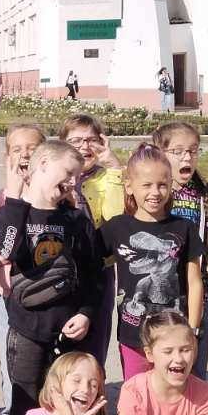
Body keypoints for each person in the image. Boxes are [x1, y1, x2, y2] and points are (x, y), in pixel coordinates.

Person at [0, 139, 104, 415]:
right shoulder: (14, 213)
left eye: (77, 176)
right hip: (27, 331)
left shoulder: (74, 219)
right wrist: (15, 198)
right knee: (26, 410)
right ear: (41, 164)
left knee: (66, 410)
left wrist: (87, 313)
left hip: (67, 337)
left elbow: (93, 274)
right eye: (67, 174)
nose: (73, 183)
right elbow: (7, 250)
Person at [100, 144, 203, 380]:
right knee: (136, 391)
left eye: (162, 185)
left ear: (171, 185)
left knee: (175, 391)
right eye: (146, 185)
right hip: (133, 335)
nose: (155, 192)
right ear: (129, 186)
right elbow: (86, 259)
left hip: (176, 335)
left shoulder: (184, 228)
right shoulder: (117, 227)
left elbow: (194, 282)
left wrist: (193, 329)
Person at [155, 119, 208, 377]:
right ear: (160, 153)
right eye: (178, 151)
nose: (187, 157)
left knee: (194, 370)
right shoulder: (153, 195)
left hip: (198, 295)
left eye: (193, 151)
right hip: (159, 297)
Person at [64, 113, 130, 368]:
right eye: (76, 141)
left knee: (95, 338)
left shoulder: (108, 177)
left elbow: (115, 218)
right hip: (63, 269)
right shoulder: (56, 177)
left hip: (99, 268)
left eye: (92, 140)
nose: (85, 146)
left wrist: (113, 168)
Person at [0, 124, 45, 404]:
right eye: (17, 149)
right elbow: (3, 250)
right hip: (12, 292)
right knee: (11, 358)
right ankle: (13, 413)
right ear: (7, 157)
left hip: (48, 293)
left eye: (32, 149)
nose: (24, 154)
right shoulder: (1, 199)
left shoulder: (54, 196)